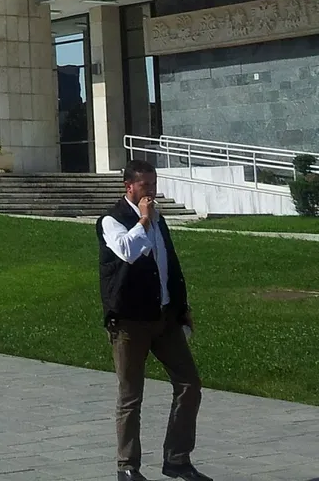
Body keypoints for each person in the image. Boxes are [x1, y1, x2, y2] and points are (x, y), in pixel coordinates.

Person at [98, 161, 210, 481]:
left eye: (153, 183)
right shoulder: (111, 220)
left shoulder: (158, 220)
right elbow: (127, 253)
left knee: (190, 384)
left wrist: (181, 306)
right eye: (144, 185)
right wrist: (145, 220)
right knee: (131, 396)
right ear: (128, 187)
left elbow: (168, 265)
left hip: (164, 317)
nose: (150, 190)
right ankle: (128, 467)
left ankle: (177, 459)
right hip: (130, 322)